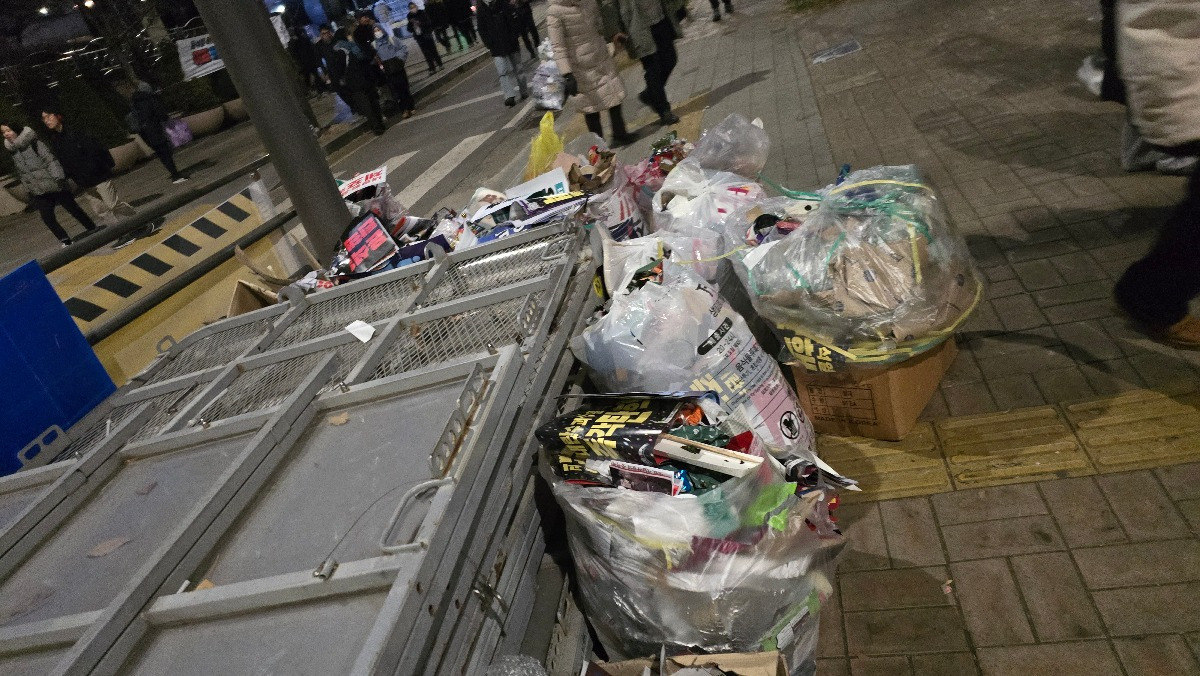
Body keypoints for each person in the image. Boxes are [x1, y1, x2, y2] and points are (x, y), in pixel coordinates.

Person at [547, 0, 633, 146]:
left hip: (600, 57)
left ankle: (620, 134)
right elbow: (558, 47)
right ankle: (600, 147)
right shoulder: (555, 11)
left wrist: (612, 37)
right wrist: (567, 74)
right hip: (580, 67)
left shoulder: (588, 2)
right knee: (591, 108)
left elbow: (600, 24)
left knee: (614, 95)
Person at [2, 123, 98, 247]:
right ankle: (65, 240)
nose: (6, 134)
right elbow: (23, 172)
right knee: (47, 217)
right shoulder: (13, 151)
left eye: (8, 131)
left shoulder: (34, 143)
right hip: (38, 190)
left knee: (73, 208)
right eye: (3, 132)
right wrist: (28, 188)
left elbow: (50, 160)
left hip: (54, 183)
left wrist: (58, 178)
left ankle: (92, 228)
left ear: (16, 130)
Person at [41, 108, 136, 226]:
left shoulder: (75, 132)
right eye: (44, 118)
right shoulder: (55, 140)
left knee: (113, 204)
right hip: (84, 182)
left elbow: (95, 149)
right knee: (100, 210)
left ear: (58, 116)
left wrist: (97, 168)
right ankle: (120, 231)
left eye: (49, 116)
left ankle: (138, 219)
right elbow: (64, 160)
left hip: (98, 175)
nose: (46, 120)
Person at [602, 0, 681, 125]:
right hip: (636, 24)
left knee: (670, 59)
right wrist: (614, 30)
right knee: (653, 67)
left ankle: (650, 94)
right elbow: (608, 3)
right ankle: (664, 110)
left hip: (660, 17)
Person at [127, 82, 187, 184]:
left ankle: (173, 173)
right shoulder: (150, 100)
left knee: (161, 154)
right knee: (166, 152)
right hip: (156, 129)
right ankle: (175, 175)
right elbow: (162, 115)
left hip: (145, 133)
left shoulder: (134, 102)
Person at [331, 27, 387, 135]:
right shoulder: (346, 50)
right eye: (347, 34)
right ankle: (378, 125)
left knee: (370, 104)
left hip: (359, 82)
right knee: (370, 104)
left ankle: (377, 125)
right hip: (360, 81)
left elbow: (339, 71)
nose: (349, 36)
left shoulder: (349, 49)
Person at [477, 0, 528, 106]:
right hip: (496, 46)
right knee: (502, 71)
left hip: (511, 42)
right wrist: (489, 43)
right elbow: (481, 29)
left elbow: (513, 20)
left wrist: (514, 35)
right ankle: (509, 96)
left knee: (518, 68)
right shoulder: (481, 8)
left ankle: (524, 90)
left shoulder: (503, 3)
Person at [367, 14, 416, 117]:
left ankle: (410, 106)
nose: (377, 32)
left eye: (378, 30)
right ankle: (403, 110)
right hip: (387, 69)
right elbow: (373, 59)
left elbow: (403, 48)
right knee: (395, 91)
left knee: (404, 87)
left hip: (397, 66)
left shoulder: (391, 39)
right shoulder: (374, 45)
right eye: (375, 31)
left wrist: (398, 58)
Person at [408, 3, 446, 74]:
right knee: (426, 54)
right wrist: (411, 25)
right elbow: (409, 29)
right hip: (419, 37)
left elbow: (428, 22)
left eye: (413, 7)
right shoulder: (409, 16)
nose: (413, 9)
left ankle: (440, 64)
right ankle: (432, 68)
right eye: (411, 8)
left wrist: (420, 23)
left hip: (427, 35)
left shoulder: (422, 13)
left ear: (416, 7)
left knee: (433, 51)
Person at [289, 28, 323, 94]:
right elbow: (312, 50)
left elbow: (295, 54)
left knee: (307, 76)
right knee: (315, 75)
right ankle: (319, 88)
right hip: (310, 61)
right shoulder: (305, 40)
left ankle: (309, 89)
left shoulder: (295, 43)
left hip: (304, 63)